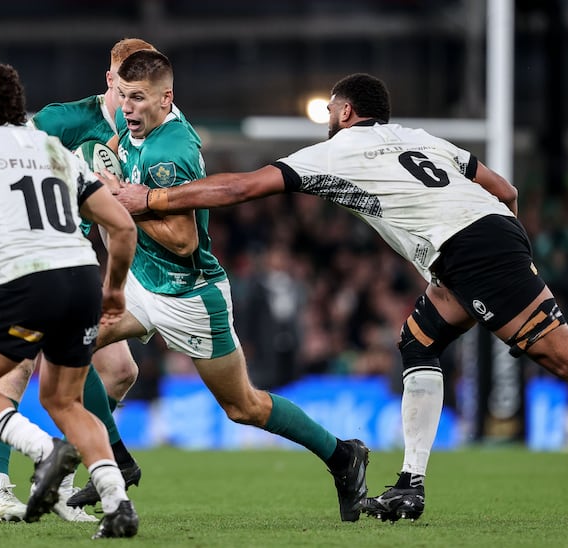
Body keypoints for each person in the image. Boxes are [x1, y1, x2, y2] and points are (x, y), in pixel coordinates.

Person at [112, 71, 568, 523]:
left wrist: (150, 198)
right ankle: (411, 484)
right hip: (474, 244)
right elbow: (506, 191)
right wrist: (503, 249)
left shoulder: (336, 151)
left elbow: (242, 188)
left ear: (347, 111)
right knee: (417, 344)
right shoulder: (416, 138)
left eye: (330, 110)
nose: (327, 119)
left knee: (564, 356)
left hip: (471, 252)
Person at [88, 48, 369, 522]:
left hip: (188, 297)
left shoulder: (167, 153)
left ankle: (342, 455)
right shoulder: (140, 126)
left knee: (244, 407)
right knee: (69, 346)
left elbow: (181, 240)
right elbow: (123, 151)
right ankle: (115, 460)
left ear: (165, 100)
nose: (127, 108)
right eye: (123, 96)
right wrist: (113, 171)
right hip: (142, 284)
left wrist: (120, 203)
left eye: (137, 98)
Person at [0, 59, 139, 539]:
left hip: (24, 278)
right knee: (66, 401)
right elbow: (122, 226)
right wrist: (114, 290)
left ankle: (44, 454)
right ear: (20, 107)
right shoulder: (54, 149)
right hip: (81, 277)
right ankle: (118, 504)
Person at [0, 38, 155, 521]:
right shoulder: (63, 120)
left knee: (120, 371)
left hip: (74, 265)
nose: (132, 97)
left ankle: (69, 476)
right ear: (110, 80)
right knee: (17, 366)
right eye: (125, 86)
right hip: (26, 253)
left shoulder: (150, 133)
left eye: (142, 88)